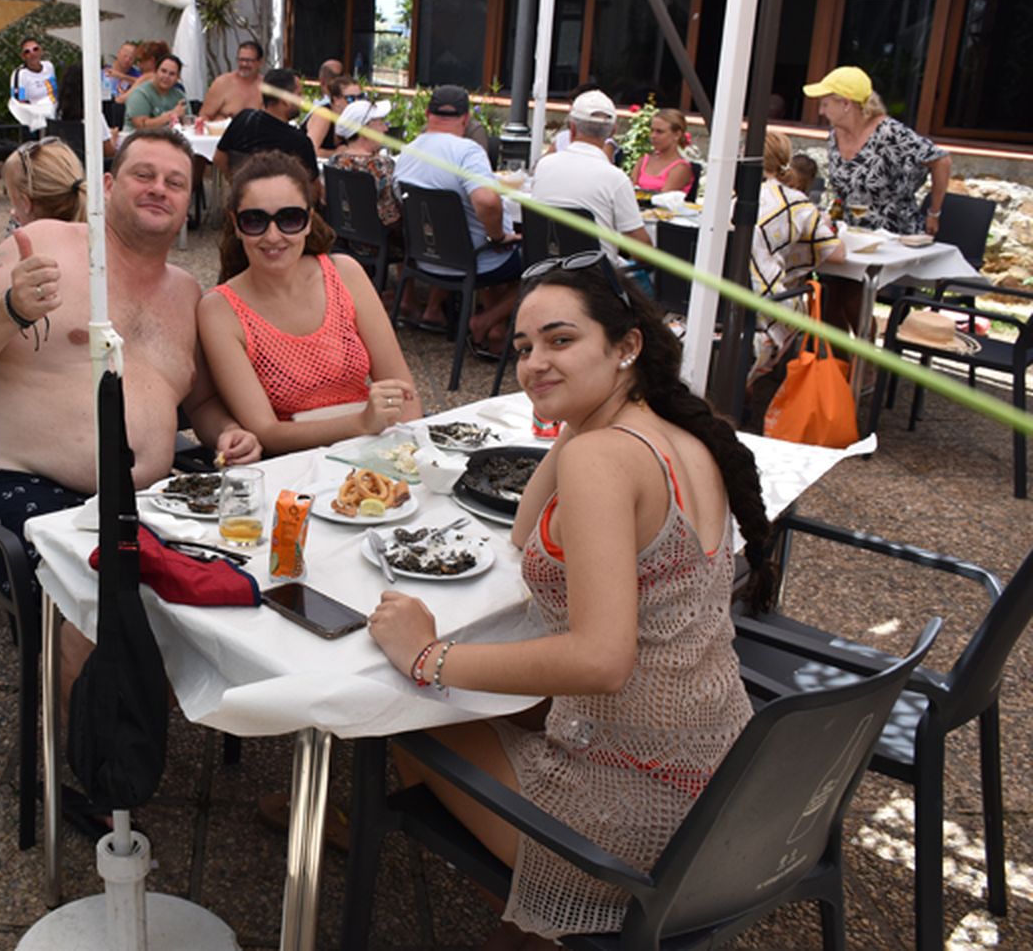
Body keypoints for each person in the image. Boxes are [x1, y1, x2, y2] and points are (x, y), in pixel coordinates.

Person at [367, 252, 777, 944]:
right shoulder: (678, 432)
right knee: (497, 699)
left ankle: (534, 927)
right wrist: (575, 411)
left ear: (626, 346)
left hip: (636, 822)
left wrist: (428, 656)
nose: (534, 364)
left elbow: (600, 660)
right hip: (721, 791)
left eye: (561, 340)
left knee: (402, 715)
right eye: (525, 348)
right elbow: (525, 529)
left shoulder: (603, 457)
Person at [0, 130, 260, 741]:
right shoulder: (46, 244)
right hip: (19, 487)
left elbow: (201, 403)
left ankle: (137, 729)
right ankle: (87, 763)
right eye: (144, 174)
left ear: (188, 203)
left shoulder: (186, 294)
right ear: (108, 186)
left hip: (142, 501)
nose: (159, 189)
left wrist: (230, 435)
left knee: (236, 573)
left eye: (176, 182)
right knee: (101, 597)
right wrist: (10, 309)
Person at [198, 152, 420, 454]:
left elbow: (405, 394)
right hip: (293, 464)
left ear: (308, 220)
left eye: (289, 219)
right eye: (255, 221)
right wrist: (360, 423)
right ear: (236, 225)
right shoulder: (220, 310)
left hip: (372, 452)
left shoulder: (345, 273)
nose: (273, 236)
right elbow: (266, 432)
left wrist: (406, 454)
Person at [393, 84, 518, 350]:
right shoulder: (466, 152)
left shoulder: (407, 152)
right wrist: (497, 236)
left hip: (425, 259)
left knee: (492, 244)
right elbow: (487, 201)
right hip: (471, 262)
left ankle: (496, 327)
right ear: (466, 118)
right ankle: (487, 321)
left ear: (427, 114)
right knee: (539, 262)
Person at [744, 130, 846, 424]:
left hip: (710, 303)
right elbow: (836, 254)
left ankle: (742, 387)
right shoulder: (795, 204)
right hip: (763, 308)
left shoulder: (727, 193)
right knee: (797, 297)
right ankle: (749, 386)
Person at [805, 65, 952, 236]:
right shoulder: (835, 135)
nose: (820, 111)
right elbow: (841, 193)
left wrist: (934, 213)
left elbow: (942, 161)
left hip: (893, 235)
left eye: (825, 104)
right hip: (851, 234)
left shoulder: (890, 133)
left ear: (846, 103)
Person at [531, 89, 651, 259]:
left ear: (572, 128)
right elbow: (641, 249)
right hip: (595, 273)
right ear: (612, 132)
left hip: (545, 267)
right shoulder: (615, 179)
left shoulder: (544, 166)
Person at [213, 68, 319, 186]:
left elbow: (218, 157)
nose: (302, 99)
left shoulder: (243, 119)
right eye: (299, 94)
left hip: (243, 195)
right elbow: (314, 189)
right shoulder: (299, 142)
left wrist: (237, 185)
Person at [328, 98, 400, 230]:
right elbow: (392, 215)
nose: (385, 128)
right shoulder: (381, 165)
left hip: (345, 233)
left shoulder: (334, 161)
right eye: (380, 123)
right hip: (380, 237)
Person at [3, 136, 86, 231]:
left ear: (25, 203)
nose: (12, 212)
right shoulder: (93, 235)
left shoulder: (21, 238)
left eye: (14, 204)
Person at [56, 63, 119, 159]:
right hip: (90, 164)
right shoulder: (93, 116)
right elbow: (109, 152)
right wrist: (114, 137)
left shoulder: (57, 112)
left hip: (65, 162)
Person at [630, 108, 693, 196]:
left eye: (659, 132)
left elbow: (661, 199)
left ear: (677, 135)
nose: (653, 136)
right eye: (652, 130)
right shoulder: (643, 160)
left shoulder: (681, 168)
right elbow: (628, 190)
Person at [199, 40, 265, 122]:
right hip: (222, 129)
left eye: (249, 61)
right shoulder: (222, 83)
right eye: (241, 60)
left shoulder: (267, 87)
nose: (244, 64)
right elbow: (204, 116)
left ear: (260, 62)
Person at [126, 53, 188, 130]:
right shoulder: (140, 94)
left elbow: (189, 123)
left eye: (172, 74)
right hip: (138, 136)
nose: (166, 76)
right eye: (163, 71)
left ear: (177, 78)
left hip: (171, 136)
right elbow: (141, 126)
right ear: (155, 72)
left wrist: (183, 119)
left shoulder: (180, 96)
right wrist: (171, 115)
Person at [305, 75, 364, 154]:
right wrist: (336, 153)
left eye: (360, 97)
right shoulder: (323, 114)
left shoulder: (356, 119)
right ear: (336, 100)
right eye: (350, 99)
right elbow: (309, 151)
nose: (357, 102)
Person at [9, 36, 59, 131]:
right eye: (27, 52)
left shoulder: (49, 66)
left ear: (41, 51)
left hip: (55, 115)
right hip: (37, 120)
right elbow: (18, 102)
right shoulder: (20, 74)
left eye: (35, 49)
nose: (32, 53)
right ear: (23, 56)